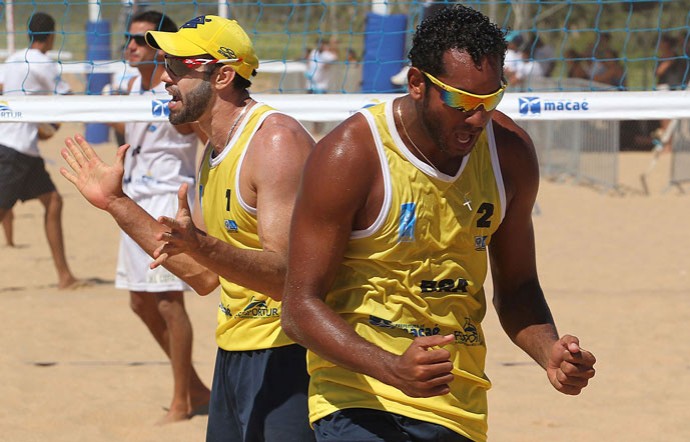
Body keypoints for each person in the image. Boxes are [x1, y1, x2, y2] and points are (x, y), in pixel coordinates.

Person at [280, 5, 597, 442]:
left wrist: (550, 352)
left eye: (490, 100)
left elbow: (519, 287)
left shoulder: (510, 156)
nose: (477, 118)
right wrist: (391, 366)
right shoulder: (351, 155)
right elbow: (298, 307)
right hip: (359, 397)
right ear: (416, 84)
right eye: (461, 101)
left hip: (455, 404)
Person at [60, 14, 315, 441]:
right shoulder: (213, 152)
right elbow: (204, 277)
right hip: (235, 350)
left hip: (287, 353)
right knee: (142, 301)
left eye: (178, 67)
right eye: (164, 63)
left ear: (223, 75)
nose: (164, 78)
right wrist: (116, 204)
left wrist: (201, 245)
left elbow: (289, 277)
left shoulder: (274, 142)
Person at [110, 10, 210, 424]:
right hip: (135, 197)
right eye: (128, 40)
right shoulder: (127, 85)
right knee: (139, 302)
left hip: (168, 200)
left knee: (169, 302)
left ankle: (181, 402)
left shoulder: (179, 90)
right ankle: (197, 388)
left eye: (140, 40)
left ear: (160, 47)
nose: (131, 46)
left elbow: (209, 135)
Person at [0, 12, 82, 289]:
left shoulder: (12, 59)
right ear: (51, 36)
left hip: (20, 145)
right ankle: (65, 276)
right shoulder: (45, 63)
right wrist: (51, 127)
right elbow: (67, 98)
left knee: (54, 201)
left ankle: (65, 277)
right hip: (15, 148)